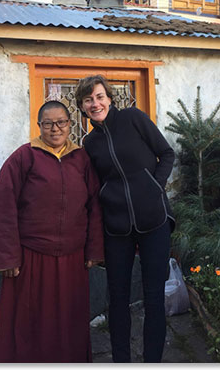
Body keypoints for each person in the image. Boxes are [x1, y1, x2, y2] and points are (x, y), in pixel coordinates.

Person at [0, 100, 104, 363]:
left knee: (68, 319)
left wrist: (94, 249)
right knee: (30, 321)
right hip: (32, 258)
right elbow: (5, 203)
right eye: (48, 123)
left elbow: (94, 205)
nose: (55, 129)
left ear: (70, 124)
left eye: (61, 122)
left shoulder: (82, 159)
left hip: (73, 258)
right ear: (39, 126)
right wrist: (8, 256)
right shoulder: (23, 157)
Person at [75, 75, 175, 363]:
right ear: (82, 107)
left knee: (154, 296)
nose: (95, 104)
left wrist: (154, 187)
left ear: (109, 98)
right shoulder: (90, 143)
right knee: (117, 300)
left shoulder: (133, 118)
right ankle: (121, 361)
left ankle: (152, 361)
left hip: (154, 220)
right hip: (116, 227)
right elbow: (94, 185)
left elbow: (166, 154)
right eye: (88, 100)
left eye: (99, 96)